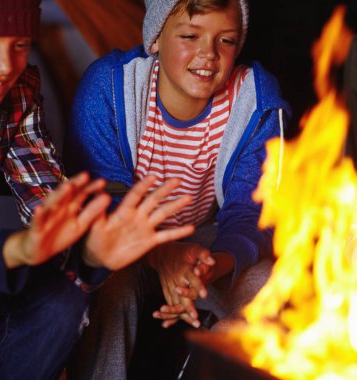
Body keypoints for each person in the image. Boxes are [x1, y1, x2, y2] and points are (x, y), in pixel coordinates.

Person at [65, 0, 291, 378]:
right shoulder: (109, 87)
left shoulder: (257, 102)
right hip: (127, 242)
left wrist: (210, 265)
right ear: (155, 39)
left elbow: (255, 211)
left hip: (206, 239)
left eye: (227, 40)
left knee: (268, 285)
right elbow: (99, 199)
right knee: (109, 277)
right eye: (190, 35)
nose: (209, 55)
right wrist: (161, 254)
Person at [0, 1, 193, 379]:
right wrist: (16, 250)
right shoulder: (111, 85)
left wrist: (90, 253)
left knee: (63, 301)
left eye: (20, 44)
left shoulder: (19, 94)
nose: (5, 65)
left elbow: (46, 200)